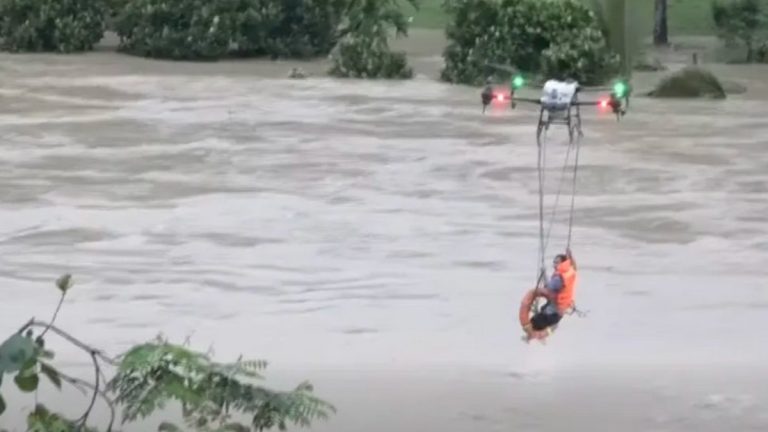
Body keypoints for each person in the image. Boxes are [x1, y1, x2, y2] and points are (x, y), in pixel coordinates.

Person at [528, 248, 577, 335]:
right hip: (560, 311)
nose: (554, 265)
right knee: (542, 309)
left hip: (552, 314)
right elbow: (575, 267)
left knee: (532, 324)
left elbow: (548, 288)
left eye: (556, 262)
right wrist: (571, 257)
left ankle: (534, 340)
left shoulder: (559, 278)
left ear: (562, 263)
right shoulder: (570, 272)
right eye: (554, 262)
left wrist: (543, 273)